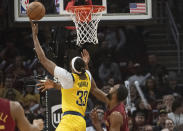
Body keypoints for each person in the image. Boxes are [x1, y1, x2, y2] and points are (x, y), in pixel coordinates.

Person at [30, 20, 108, 131]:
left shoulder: (68, 78)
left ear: (71, 68)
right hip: (81, 122)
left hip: (69, 121)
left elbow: (43, 60)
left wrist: (35, 36)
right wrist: (55, 85)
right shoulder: (87, 76)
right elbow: (75, 85)